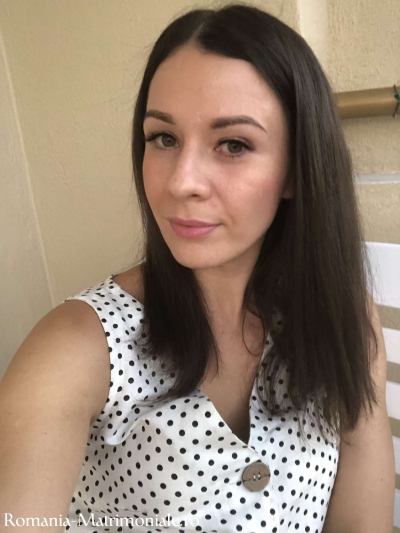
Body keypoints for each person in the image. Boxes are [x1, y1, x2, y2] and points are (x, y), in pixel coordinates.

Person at [0, 3, 395, 533]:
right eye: (163, 138)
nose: (181, 181)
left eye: (233, 144)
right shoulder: (77, 348)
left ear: (296, 171)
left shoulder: (343, 319)